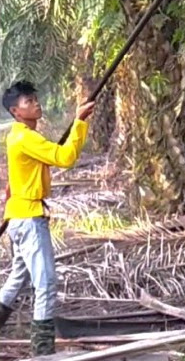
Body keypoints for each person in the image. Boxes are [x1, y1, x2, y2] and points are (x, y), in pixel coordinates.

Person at [0, 80, 95, 355]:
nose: (36, 104)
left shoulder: (19, 135)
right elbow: (64, 158)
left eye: (34, 99)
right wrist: (79, 122)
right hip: (29, 219)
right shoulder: (25, 137)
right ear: (16, 112)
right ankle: (42, 352)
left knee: (17, 278)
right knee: (46, 284)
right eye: (28, 102)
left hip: (20, 216)